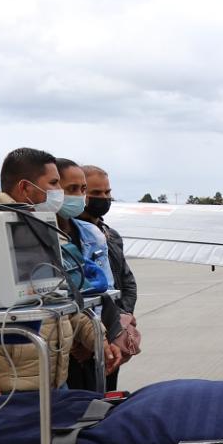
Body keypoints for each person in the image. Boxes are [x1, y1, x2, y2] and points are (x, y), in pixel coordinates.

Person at [0, 148, 117, 399]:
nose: (59, 192)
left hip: (51, 382)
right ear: (25, 187)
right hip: (6, 390)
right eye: (53, 184)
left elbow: (57, 297)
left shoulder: (40, 227)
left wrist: (98, 338)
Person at [56, 158, 123, 390]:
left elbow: (108, 289)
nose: (80, 196)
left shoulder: (93, 234)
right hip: (63, 344)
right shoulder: (38, 235)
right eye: (72, 189)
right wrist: (79, 339)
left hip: (97, 336)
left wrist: (99, 336)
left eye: (83, 189)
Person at [80, 165, 141, 391]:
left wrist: (120, 323)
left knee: (108, 394)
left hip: (111, 333)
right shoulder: (66, 236)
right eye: (96, 193)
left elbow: (127, 283)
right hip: (80, 341)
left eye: (107, 192)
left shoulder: (111, 235)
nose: (104, 198)